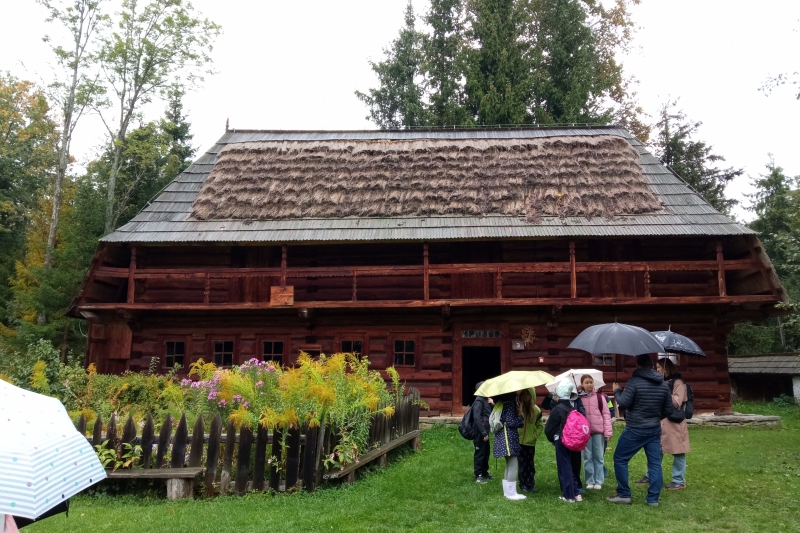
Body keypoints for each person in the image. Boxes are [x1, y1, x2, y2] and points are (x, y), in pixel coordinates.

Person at [607, 354, 674, 507]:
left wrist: (617, 391)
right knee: (655, 464)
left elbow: (624, 403)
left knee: (620, 458)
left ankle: (624, 494)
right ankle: (653, 499)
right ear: (652, 367)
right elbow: (669, 410)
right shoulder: (663, 384)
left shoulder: (634, 382)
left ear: (637, 365)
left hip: (635, 429)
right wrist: (655, 417)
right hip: (654, 429)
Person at [635, 358, 691, 490]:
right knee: (655, 450)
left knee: (678, 451)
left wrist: (664, 389)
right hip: (660, 421)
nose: (657, 370)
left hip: (674, 423)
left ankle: (679, 480)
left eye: (659, 367)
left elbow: (676, 403)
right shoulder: (662, 382)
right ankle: (651, 475)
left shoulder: (678, 383)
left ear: (665, 369)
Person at [544, 379, 583, 502]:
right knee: (570, 465)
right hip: (572, 440)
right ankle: (576, 493)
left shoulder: (557, 409)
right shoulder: (572, 408)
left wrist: (552, 438)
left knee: (564, 466)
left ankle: (569, 495)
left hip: (561, 440)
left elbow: (548, 429)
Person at [579, 375, 612, 490]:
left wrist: (608, 432)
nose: (589, 384)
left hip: (598, 431)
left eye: (591, 382)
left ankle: (598, 480)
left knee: (598, 456)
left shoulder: (600, 397)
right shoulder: (579, 398)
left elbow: (606, 415)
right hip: (585, 432)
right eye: (586, 382)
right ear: (582, 384)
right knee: (587, 456)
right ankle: (590, 480)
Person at [493, 391, 526, 500]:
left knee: (509, 464)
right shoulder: (510, 404)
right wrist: (521, 418)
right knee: (513, 465)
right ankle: (511, 494)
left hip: (502, 437)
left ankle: (507, 492)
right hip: (508, 438)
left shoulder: (501, 402)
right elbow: (511, 422)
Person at [518, 388, 544, 493]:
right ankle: (523, 484)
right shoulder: (518, 408)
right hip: (519, 442)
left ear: (532, 395)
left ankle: (530, 483)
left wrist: (534, 435)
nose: (525, 396)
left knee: (530, 464)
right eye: (523, 393)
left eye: (527, 394)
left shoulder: (536, 410)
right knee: (522, 464)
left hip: (530, 442)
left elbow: (540, 425)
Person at [471, 381, 494, 483]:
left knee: (486, 452)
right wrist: (483, 433)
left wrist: (492, 404)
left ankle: (484, 472)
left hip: (485, 431)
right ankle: (478, 475)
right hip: (480, 432)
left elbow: (492, 413)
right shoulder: (479, 401)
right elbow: (476, 417)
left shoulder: (485, 400)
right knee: (480, 453)